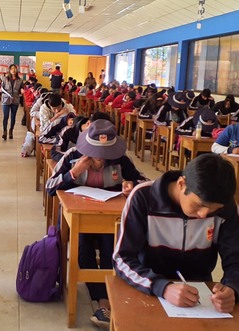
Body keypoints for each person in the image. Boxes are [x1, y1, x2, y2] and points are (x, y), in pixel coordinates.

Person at [113, 154, 239, 314]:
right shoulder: (144, 198)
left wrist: (232, 289)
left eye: (214, 209)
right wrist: (162, 287)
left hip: (199, 299)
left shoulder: (225, 207)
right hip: (146, 291)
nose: (204, 214)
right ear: (181, 184)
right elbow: (122, 258)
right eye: (199, 205)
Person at [46, 120, 147, 328]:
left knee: (112, 247)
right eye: (96, 153)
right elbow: (50, 186)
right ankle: (103, 301)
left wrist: (132, 185)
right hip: (78, 215)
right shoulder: (73, 156)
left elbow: (145, 183)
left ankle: (109, 297)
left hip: (109, 216)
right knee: (83, 247)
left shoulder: (121, 160)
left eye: (105, 154)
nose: (100, 159)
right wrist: (73, 173)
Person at [0, 64, 23, 140]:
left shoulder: (20, 80)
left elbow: (21, 89)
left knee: (13, 116)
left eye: (15, 69)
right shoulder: (5, 79)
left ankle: (11, 131)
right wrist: (2, 91)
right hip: (6, 100)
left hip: (15, 100)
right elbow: (1, 89)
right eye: (12, 69)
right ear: (9, 70)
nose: (13, 70)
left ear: (17, 70)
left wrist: (22, 90)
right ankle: (4, 131)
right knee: (5, 116)